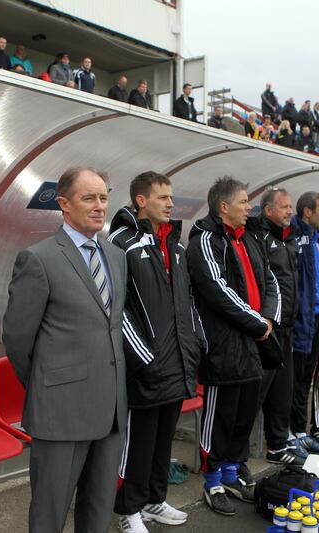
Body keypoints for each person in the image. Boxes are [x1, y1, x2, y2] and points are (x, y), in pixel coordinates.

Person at [2, 167, 127, 533]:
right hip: (61, 411)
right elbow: (17, 338)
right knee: (49, 512)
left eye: (104, 197)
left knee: (98, 509)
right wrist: (49, 385)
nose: (99, 206)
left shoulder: (115, 256)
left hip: (111, 409)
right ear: (64, 204)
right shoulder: (38, 259)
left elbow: (111, 327)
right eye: (89, 198)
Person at [108, 172, 202, 533]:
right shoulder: (122, 242)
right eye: (162, 197)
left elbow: (186, 302)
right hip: (144, 367)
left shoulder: (176, 246)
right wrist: (143, 357)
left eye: (171, 196)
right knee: (138, 443)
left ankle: (153, 499)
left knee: (163, 439)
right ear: (141, 200)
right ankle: (128, 510)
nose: (170, 203)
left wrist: (192, 345)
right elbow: (117, 307)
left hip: (177, 362)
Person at [187, 177, 279, 517]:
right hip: (223, 346)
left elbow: (269, 280)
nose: (249, 208)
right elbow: (218, 291)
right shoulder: (206, 240)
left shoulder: (249, 238)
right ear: (224, 207)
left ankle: (229, 475)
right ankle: (211, 481)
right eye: (243, 202)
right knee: (219, 418)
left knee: (243, 415)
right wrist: (258, 325)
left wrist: (268, 319)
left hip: (253, 341)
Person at [246, 188, 303, 466]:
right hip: (269, 326)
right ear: (268, 211)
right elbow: (266, 282)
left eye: (291, 206)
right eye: (284, 207)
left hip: (288, 326)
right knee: (258, 392)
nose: (290, 211)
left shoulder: (289, 240)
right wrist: (268, 318)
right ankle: (237, 455)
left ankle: (277, 445)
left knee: (283, 390)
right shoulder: (259, 238)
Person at [290, 192, 319, 456]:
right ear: (307, 212)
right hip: (302, 321)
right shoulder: (299, 238)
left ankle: (301, 431)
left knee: (307, 379)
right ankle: (291, 433)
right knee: (295, 381)